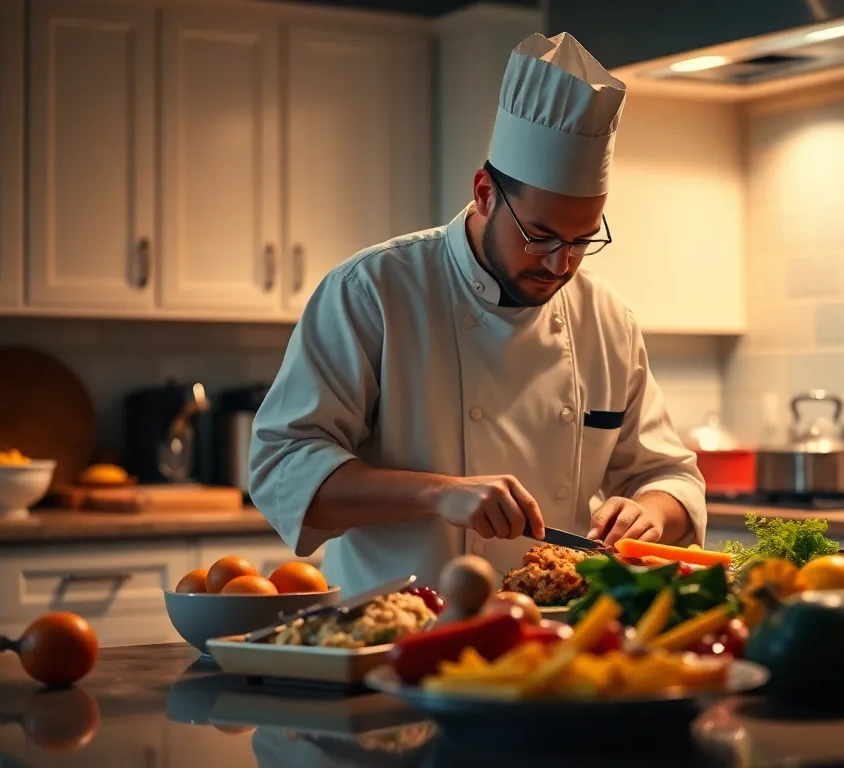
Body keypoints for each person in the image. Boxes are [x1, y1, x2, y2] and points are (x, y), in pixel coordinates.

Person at [248, 31, 706, 594]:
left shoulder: (607, 319)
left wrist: (653, 513)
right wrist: (440, 493)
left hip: (555, 638)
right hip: (395, 636)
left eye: (583, 239)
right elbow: (282, 466)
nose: (562, 263)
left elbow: (668, 474)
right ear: (485, 192)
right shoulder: (374, 292)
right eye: (540, 236)